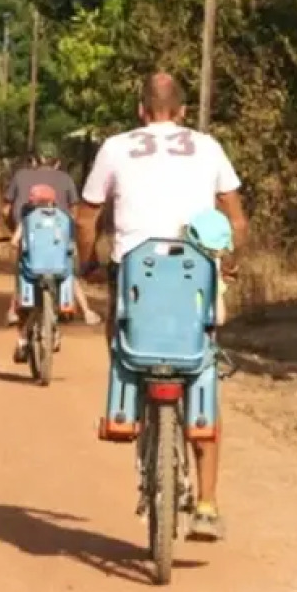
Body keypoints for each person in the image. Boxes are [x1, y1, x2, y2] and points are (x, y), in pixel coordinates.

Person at [76, 72, 248, 544]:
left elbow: (86, 214)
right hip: (196, 274)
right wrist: (228, 265)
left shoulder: (114, 147)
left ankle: (125, 409)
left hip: (135, 275)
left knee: (125, 337)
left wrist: (88, 260)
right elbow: (236, 219)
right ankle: (208, 505)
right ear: (184, 112)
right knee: (204, 366)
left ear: (141, 111)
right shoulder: (208, 147)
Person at [2, 149, 100, 329]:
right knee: (67, 270)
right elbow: (75, 213)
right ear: (57, 163)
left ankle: (13, 310)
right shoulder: (66, 179)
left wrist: (15, 230)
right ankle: (86, 310)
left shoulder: (21, 179)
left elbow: (6, 211)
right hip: (59, 239)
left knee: (23, 272)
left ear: (34, 161)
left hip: (30, 240)